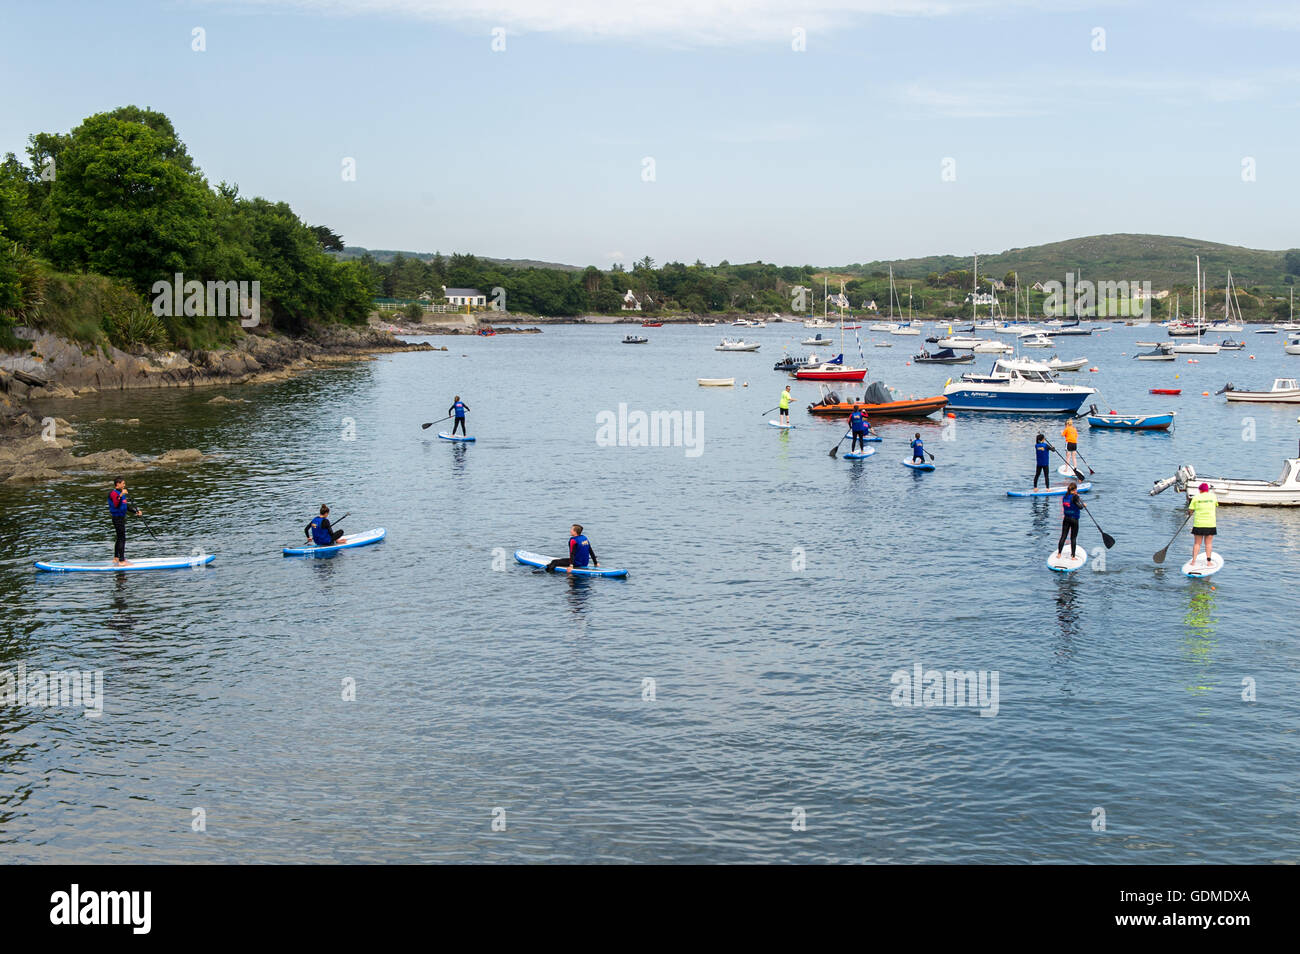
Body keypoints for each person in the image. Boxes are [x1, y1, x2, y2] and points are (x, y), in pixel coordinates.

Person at [108, 478, 142, 567]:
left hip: (121, 518)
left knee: (119, 537)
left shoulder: (121, 494)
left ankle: (116, 558)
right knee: (122, 538)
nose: (124, 485)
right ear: (117, 484)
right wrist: (122, 494)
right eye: (123, 483)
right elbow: (116, 504)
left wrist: (136, 511)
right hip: (117, 518)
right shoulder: (113, 493)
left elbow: (125, 506)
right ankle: (122, 561)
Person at [1188, 482, 1218, 566]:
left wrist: (1190, 512)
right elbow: (1216, 505)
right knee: (1208, 544)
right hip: (1210, 524)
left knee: (1197, 543)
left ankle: (1193, 561)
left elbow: (1190, 510)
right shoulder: (1213, 497)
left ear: (1200, 490)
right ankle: (1208, 562)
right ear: (1207, 490)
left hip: (1198, 524)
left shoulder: (1196, 497)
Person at [1055, 481, 1084, 561]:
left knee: (1063, 536)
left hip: (1066, 519)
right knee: (1073, 538)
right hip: (1074, 519)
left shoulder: (1065, 497)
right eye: (1076, 490)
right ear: (1074, 490)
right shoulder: (1075, 497)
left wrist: (1077, 498)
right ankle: (1073, 556)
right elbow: (1080, 507)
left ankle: (1059, 554)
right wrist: (1083, 504)